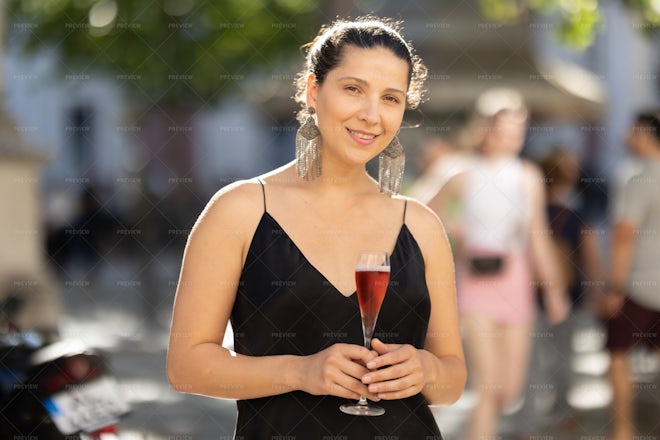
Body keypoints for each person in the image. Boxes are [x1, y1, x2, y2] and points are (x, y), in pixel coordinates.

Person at [167, 16, 467, 439]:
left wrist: (425, 369)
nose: (371, 114)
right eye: (353, 89)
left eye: (391, 98)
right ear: (312, 90)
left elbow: (452, 381)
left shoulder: (421, 225)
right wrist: (300, 371)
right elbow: (186, 367)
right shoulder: (240, 210)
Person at [427, 88, 569, 438]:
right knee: (488, 388)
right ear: (484, 128)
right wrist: (455, 231)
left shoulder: (527, 176)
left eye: (515, 132)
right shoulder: (460, 170)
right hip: (476, 281)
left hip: (515, 279)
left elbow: (538, 236)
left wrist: (554, 292)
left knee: (508, 392)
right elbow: (422, 209)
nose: (508, 139)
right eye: (501, 130)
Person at [600, 111, 660, 440]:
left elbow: (624, 236)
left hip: (637, 287)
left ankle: (622, 432)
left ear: (646, 134)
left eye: (633, 130)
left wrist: (614, 287)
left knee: (618, 357)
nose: (627, 136)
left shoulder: (638, 178)